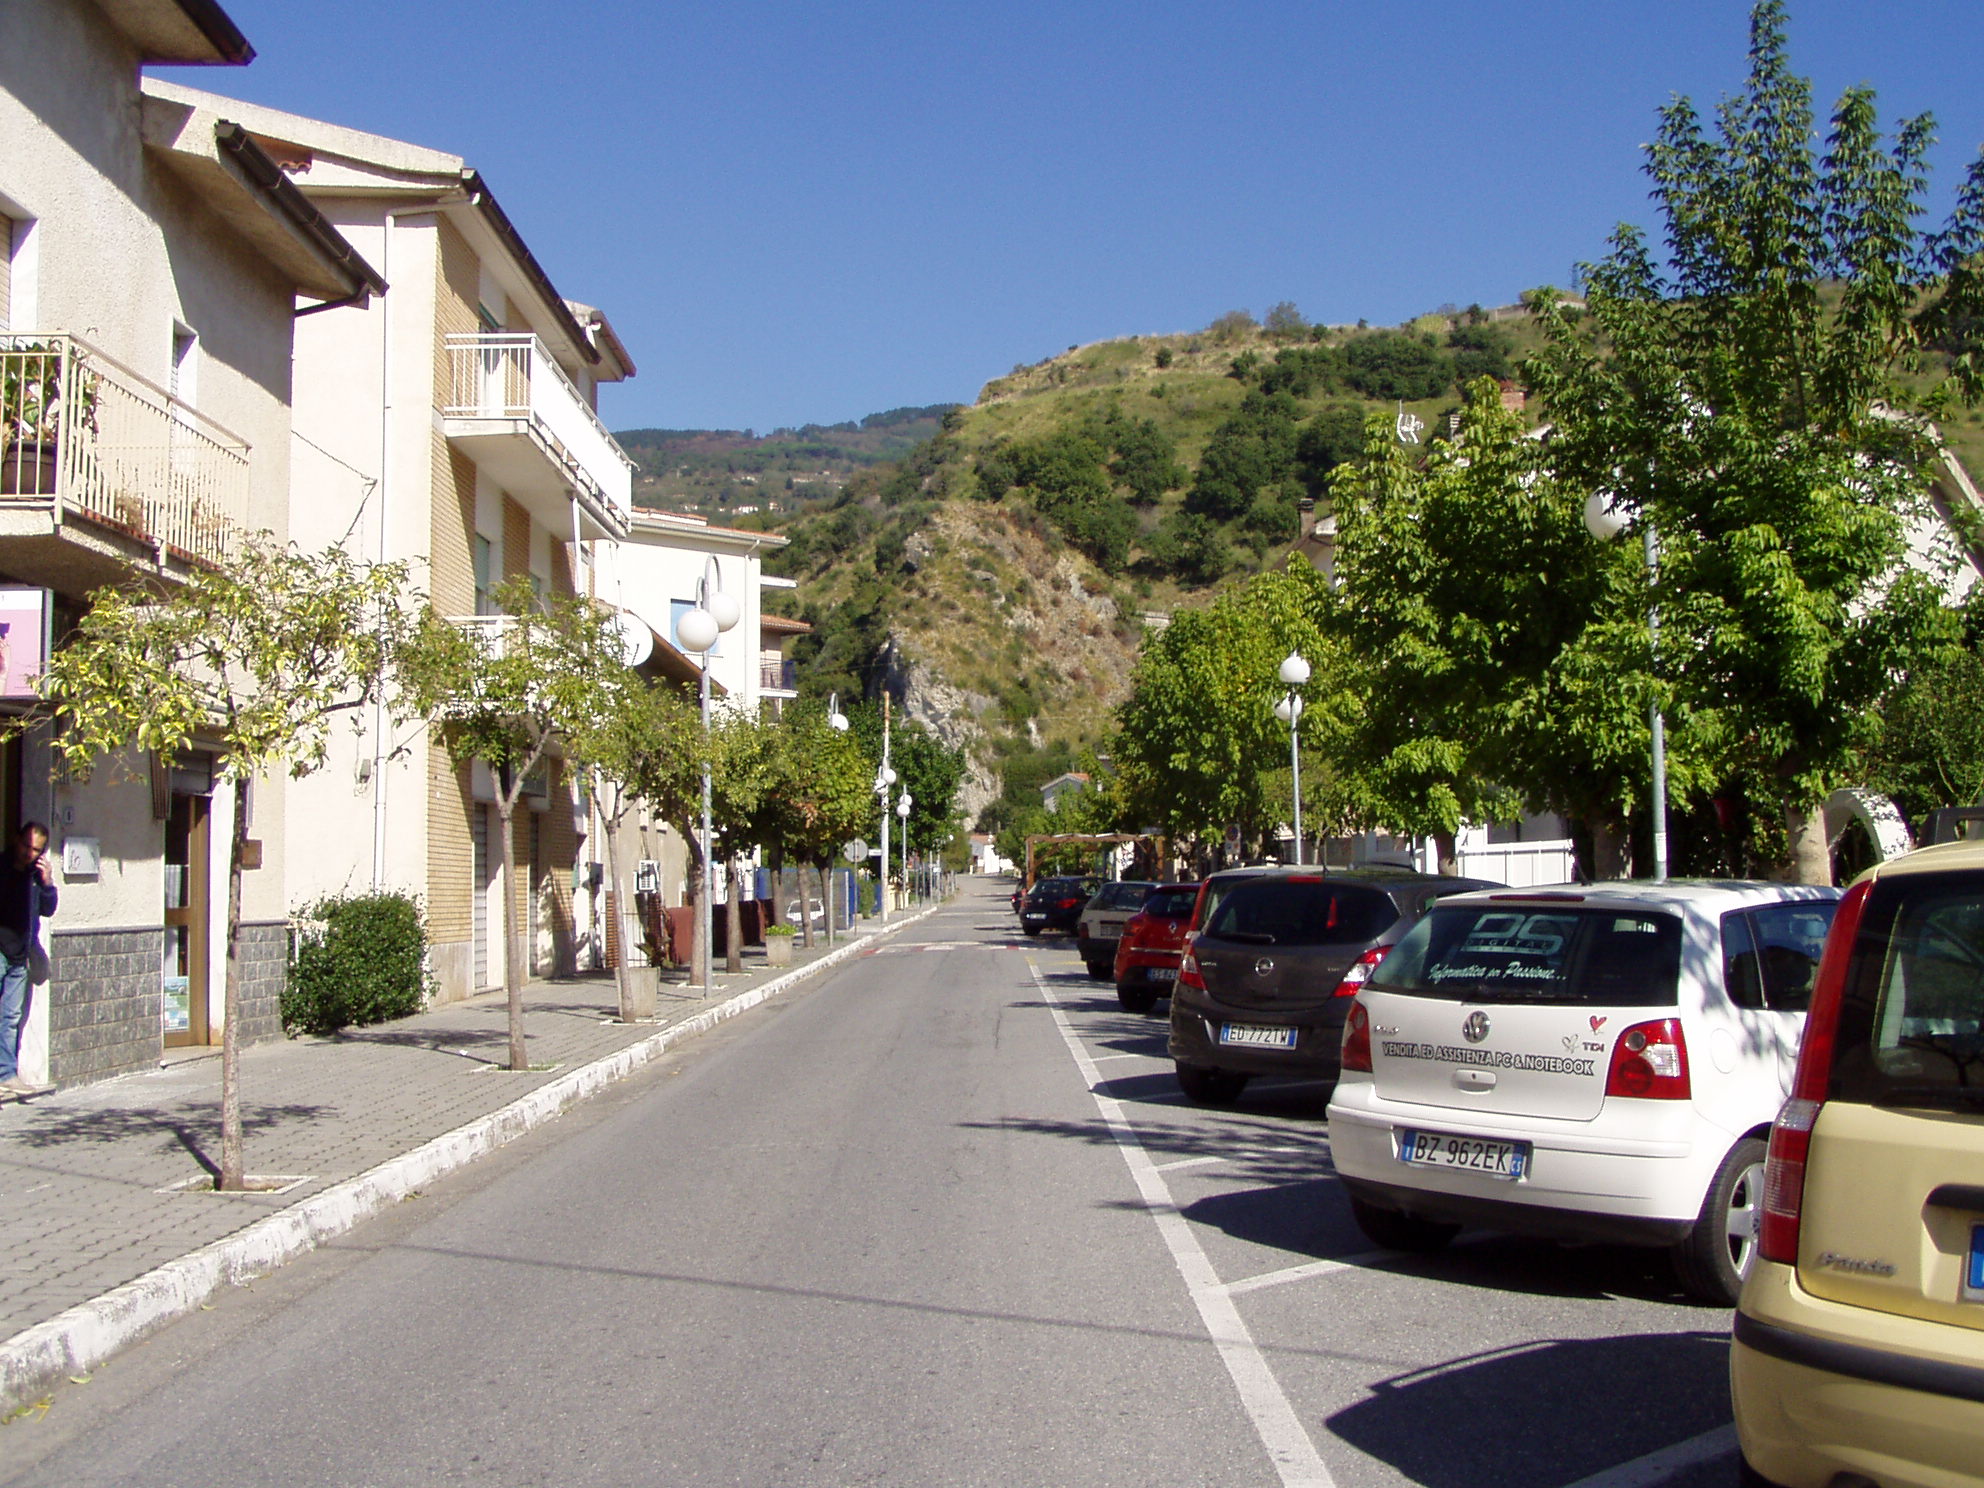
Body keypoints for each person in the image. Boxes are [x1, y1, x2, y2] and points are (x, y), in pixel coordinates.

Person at [0, 821, 58, 1095]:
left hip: (20, 955)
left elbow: (47, 910)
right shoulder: (2, 868)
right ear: (16, 839)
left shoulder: (35, 877)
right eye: (25, 845)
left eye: (35, 849)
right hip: (1, 949)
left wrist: (47, 883)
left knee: (10, 1016)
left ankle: (6, 1073)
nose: (28, 853)